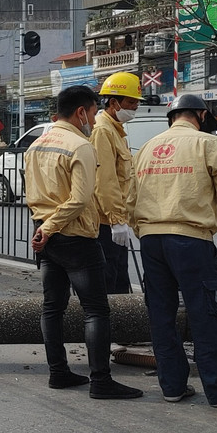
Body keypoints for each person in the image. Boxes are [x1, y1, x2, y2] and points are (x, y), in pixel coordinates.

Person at [131, 93, 217, 408]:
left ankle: (172, 387)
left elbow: (129, 197)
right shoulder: (208, 144)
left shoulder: (147, 149)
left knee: (161, 316)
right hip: (190, 239)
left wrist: (143, 230)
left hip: (151, 240)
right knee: (205, 315)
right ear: (201, 115)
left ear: (172, 117)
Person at [25, 84, 143, 400]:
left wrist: (44, 228)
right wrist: (51, 228)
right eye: (92, 112)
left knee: (52, 308)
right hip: (75, 236)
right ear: (81, 112)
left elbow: (33, 197)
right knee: (96, 310)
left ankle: (58, 372)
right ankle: (101, 380)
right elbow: (79, 199)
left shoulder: (35, 146)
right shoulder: (80, 146)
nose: (94, 117)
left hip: (46, 237)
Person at [92, 71, 142, 294]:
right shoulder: (103, 130)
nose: (135, 108)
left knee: (120, 281)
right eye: (131, 103)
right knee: (109, 285)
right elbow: (105, 180)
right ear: (114, 102)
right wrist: (115, 220)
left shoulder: (116, 131)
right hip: (105, 223)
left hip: (115, 221)